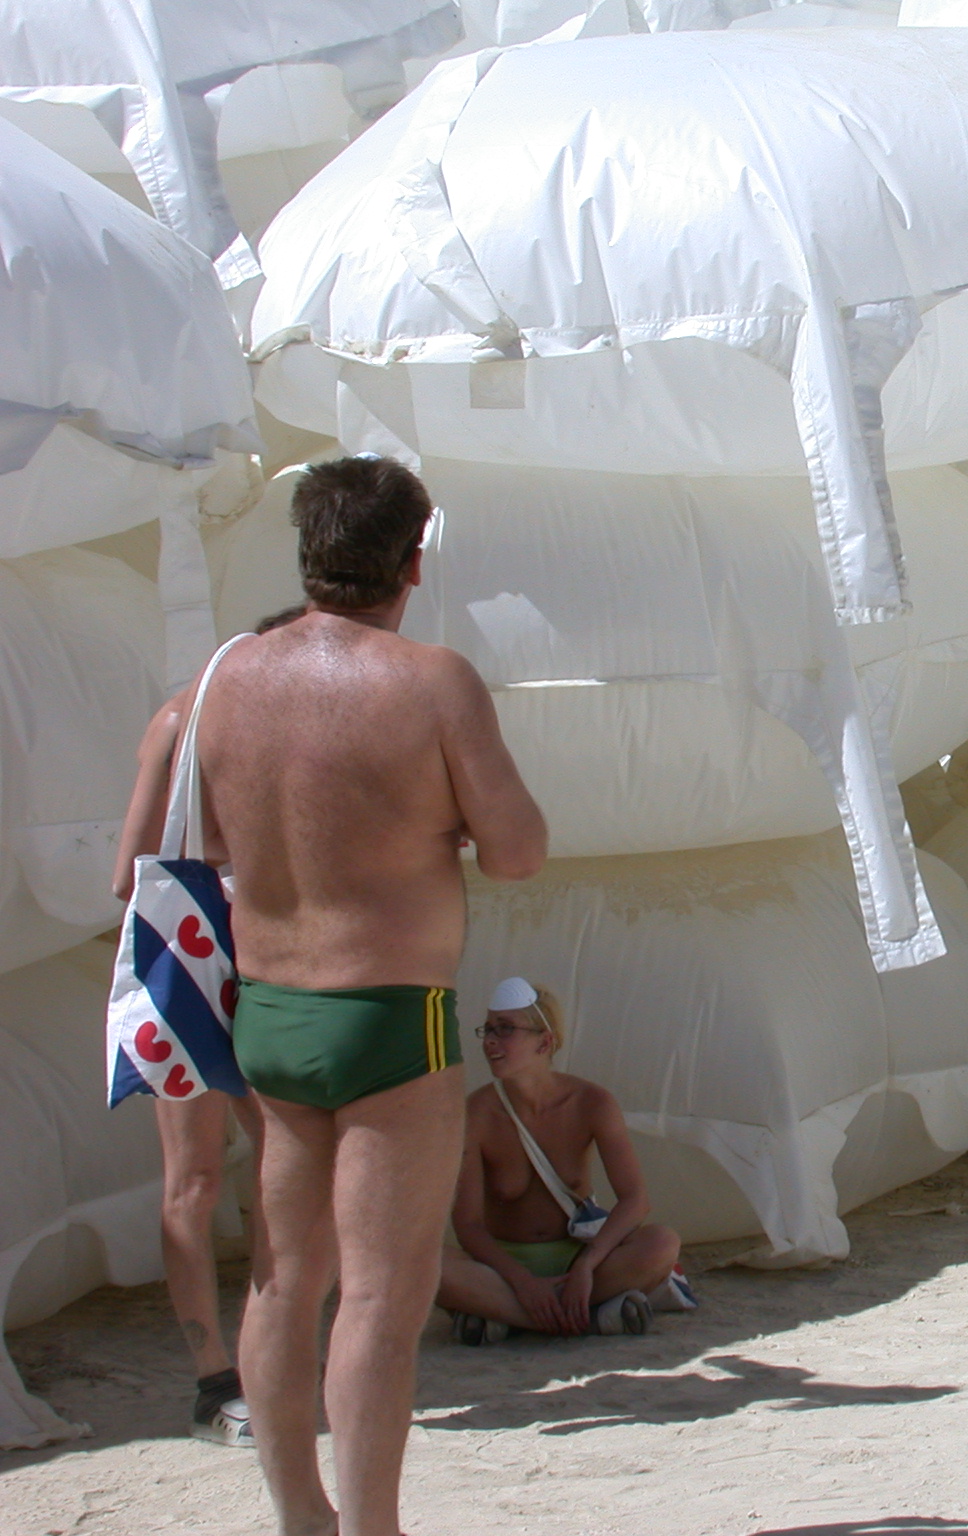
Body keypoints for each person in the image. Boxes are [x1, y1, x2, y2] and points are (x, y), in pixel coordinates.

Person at [123, 455, 547, 1536]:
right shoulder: (432, 680)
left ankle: (300, 1518)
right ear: (413, 561)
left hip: (267, 1012)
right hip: (389, 1015)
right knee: (379, 1301)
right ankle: (369, 1529)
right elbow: (517, 851)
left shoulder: (221, 683)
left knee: (282, 1282)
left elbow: (163, 858)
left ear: (308, 551)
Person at [113, 604, 310, 1446]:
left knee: (260, 1171)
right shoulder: (187, 723)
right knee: (215, 1177)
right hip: (215, 957)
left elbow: (126, 881)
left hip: (210, 959)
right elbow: (130, 874)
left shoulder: (209, 720)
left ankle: (248, 1372)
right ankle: (223, 1380)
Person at [436, 978, 690, 1344]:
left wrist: (586, 1266)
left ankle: (509, 1317)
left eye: (505, 1029)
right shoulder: (475, 1114)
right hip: (504, 1265)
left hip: (579, 1258)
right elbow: (468, 1225)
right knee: (423, 1264)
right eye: (488, 1029)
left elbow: (635, 1201)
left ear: (544, 1042)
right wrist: (522, 1282)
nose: (490, 1040)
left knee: (662, 1244)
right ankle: (584, 1318)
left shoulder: (591, 1103)